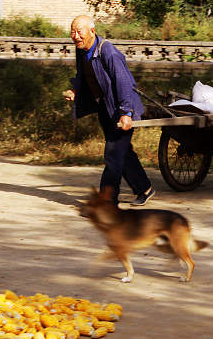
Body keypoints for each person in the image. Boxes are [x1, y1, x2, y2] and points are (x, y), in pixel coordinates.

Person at [62, 15, 155, 206]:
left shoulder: (109, 53)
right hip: (105, 108)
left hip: (122, 109)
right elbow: (82, 75)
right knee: (123, 152)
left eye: (79, 31)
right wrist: (75, 90)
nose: (75, 36)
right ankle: (145, 188)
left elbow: (124, 83)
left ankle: (107, 200)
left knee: (113, 154)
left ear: (92, 31)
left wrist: (126, 113)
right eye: (73, 31)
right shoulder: (82, 51)